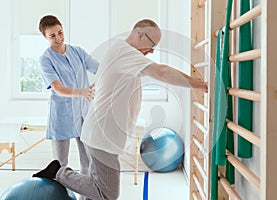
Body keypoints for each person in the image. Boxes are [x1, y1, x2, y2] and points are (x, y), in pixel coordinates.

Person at [33, 19, 207, 200]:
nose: (152, 50)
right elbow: (160, 71)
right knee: (107, 193)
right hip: (102, 136)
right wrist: (201, 85)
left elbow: (107, 72)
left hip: (103, 134)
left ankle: (60, 173)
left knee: (95, 185)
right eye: (152, 43)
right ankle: (59, 172)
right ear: (140, 34)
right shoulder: (124, 52)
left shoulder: (123, 53)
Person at [37, 15, 99, 177]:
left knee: (88, 162)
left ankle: (85, 196)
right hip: (61, 114)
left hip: (82, 113)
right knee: (60, 164)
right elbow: (58, 88)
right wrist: (82, 91)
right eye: (52, 35)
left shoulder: (77, 51)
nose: (58, 38)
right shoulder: (45, 59)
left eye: (60, 32)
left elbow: (99, 69)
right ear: (45, 37)